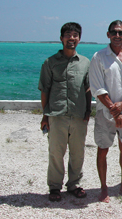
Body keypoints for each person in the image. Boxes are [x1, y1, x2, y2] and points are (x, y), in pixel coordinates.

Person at [38, 22, 91, 202]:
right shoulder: (50, 63)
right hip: (56, 115)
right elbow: (45, 90)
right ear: (61, 38)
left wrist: (88, 112)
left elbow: (88, 89)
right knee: (56, 153)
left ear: (79, 39)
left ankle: (74, 184)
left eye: (75, 35)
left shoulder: (85, 63)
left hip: (78, 116)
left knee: (78, 153)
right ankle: (54, 187)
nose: (71, 38)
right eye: (68, 34)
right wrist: (45, 116)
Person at [89, 20, 122, 203]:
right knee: (103, 149)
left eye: (120, 33)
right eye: (114, 32)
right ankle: (103, 188)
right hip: (106, 114)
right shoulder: (99, 57)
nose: (117, 36)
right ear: (108, 34)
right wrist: (115, 111)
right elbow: (97, 87)